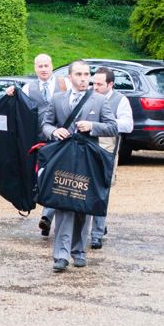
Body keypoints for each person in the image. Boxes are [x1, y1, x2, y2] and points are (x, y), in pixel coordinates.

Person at [38, 60, 118, 272]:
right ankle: (61, 256)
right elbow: (45, 124)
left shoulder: (99, 101)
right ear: (70, 77)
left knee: (83, 206)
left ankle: (79, 251)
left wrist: (92, 126)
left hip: (87, 160)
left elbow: (113, 127)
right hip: (63, 157)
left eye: (86, 74)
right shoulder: (57, 99)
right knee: (63, 202)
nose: (84, 78)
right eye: (79, 74)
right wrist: (54, 132)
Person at [7, 53, 59, 236]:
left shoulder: (64, 84)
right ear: (35, 68)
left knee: (57, 177)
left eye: (46, 65)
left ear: (52, 66)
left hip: (61, 139)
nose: (43, 69)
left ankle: (47, 216)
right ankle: (48, 214)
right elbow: (19, 106)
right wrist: (11, 94)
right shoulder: (29, 88)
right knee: (44, 178)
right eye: (40, 66)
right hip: (39, 141)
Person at [88, 66, 133, 250]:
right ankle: (96, 226)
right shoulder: (88, 97)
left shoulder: (120, 100)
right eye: (94, 83)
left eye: (99, 84)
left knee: (101, 191)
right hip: (86, 147)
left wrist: (100, 125)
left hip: (107, 149)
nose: (95, 87)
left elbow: (128, 125)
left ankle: (97, 234)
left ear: (110, 84)